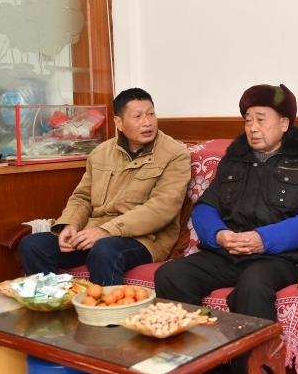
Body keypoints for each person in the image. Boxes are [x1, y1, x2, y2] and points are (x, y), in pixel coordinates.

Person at [155, 84, 298, 373]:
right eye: (248, 120)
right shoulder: (234, 160)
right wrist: (219, 235)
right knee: (172, 274)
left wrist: (264, 239)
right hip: (228, 252)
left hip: (278, 258)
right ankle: (195, 366)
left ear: (284, 124)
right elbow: (205, 206)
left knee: (253, 285)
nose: (252, 128)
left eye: (261, 119)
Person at [19, 88, 191, 286]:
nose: (147, 122)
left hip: (145, 239)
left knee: (105, 249)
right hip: (97, 231)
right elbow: (83, 196)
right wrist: (70, 224)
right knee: (32, 245)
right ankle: (54, 301)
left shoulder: (175, 154)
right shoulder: (100, 152)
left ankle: (101, 307)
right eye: (137, 116)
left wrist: (106, 231)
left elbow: (161, 209)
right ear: (119, 122)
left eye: (151, 114)